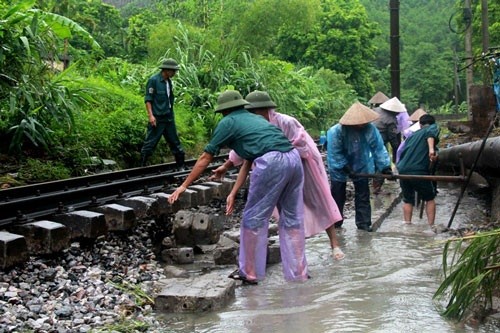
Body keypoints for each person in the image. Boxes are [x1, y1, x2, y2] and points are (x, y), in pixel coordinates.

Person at [168, 90, 308, 284]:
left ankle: (249, 272)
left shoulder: (228, 122)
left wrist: (184, 185)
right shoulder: (255, 120)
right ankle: (299, 273)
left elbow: (205, 157)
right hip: (293, 159)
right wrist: (232, 190)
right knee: (292, 219)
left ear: (224, 111)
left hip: (272, 162)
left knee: (253, 218)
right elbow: (249, 160)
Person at [211, 90, 345, 260]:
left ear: (266, 109)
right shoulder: (253, 124)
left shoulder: (286, 122)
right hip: (277, 169)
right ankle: (294, 253)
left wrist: (276, 151)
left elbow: (301, 144)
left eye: (255, 112)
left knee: (318, 201)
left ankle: (334, 244)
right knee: (286, 209)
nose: (252, 115)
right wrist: (226, 165)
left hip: (303, 164)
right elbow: (243, 155)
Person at [326, 102, 392, 232]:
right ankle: (336, 222)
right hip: (339, 167)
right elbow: (335, 153)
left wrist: (385, 167)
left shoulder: (370, 129)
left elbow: (378, 148)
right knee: (338, 194)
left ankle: (363, 223)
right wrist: (346, 168)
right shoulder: (336, 132)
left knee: (363, 194)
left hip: (360, 163)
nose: (361, 125)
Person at [396, 114, 440, 230]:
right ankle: (431, 226)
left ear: (419, 124)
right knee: (429, 198)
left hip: (403, 169)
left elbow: (401, 151)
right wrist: (431, 150)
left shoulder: (412, 136)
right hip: (418, 169)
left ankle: (407, 226)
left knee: (407, 199)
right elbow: (431, 133)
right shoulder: (431, 128)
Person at [140, 59, 185, 168]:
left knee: (175, 143)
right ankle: (141, 167)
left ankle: (181, 167)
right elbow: (148, 100)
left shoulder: (168, 82)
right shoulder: (154, 80)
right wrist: (151, 116)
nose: (174, 73)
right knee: (150, 144)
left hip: (168, 117)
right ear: (166, 70)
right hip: (157, 118)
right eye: (173, 71)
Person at [372, 96, 408, 193]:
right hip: (379, 141)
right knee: (382, 162)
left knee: (373, 161)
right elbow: (392, 138)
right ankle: (377, 184)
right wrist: (398, 150)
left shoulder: (375, 110)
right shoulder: (391, 120)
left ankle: (373, 180)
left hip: (367, 139)